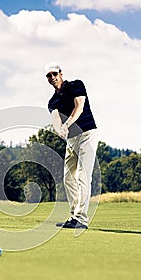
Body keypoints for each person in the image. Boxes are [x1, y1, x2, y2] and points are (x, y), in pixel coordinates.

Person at [45, 62, 98, 229]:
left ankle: (81, 219)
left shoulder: (76, 85)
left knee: (82, 176)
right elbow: (55, 118)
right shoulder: (53, 101)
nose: (52, 77)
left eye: (54, 74)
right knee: (68, 178)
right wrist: (59, 130)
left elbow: (79, 107)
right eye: (49, 76)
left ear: (61, 73)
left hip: (87, 135)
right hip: (72, 140)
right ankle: (74, 216)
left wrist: (66, 124)